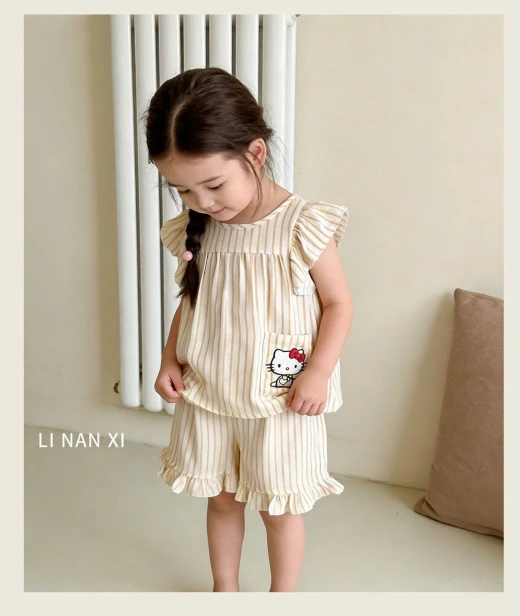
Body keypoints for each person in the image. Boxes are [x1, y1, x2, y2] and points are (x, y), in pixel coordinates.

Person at [144, 67, 353, 593]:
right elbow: (193, 303)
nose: (202, 202)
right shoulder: (199, 229)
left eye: (214, 185)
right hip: (211, 393)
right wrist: (170, 358)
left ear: (255, 154)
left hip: (281, 401)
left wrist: (319, 372)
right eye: (183, 190)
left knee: (277, 508)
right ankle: (226, 590)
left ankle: (281, 597)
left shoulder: (302, 224)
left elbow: (338, 304)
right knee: (221, 498)